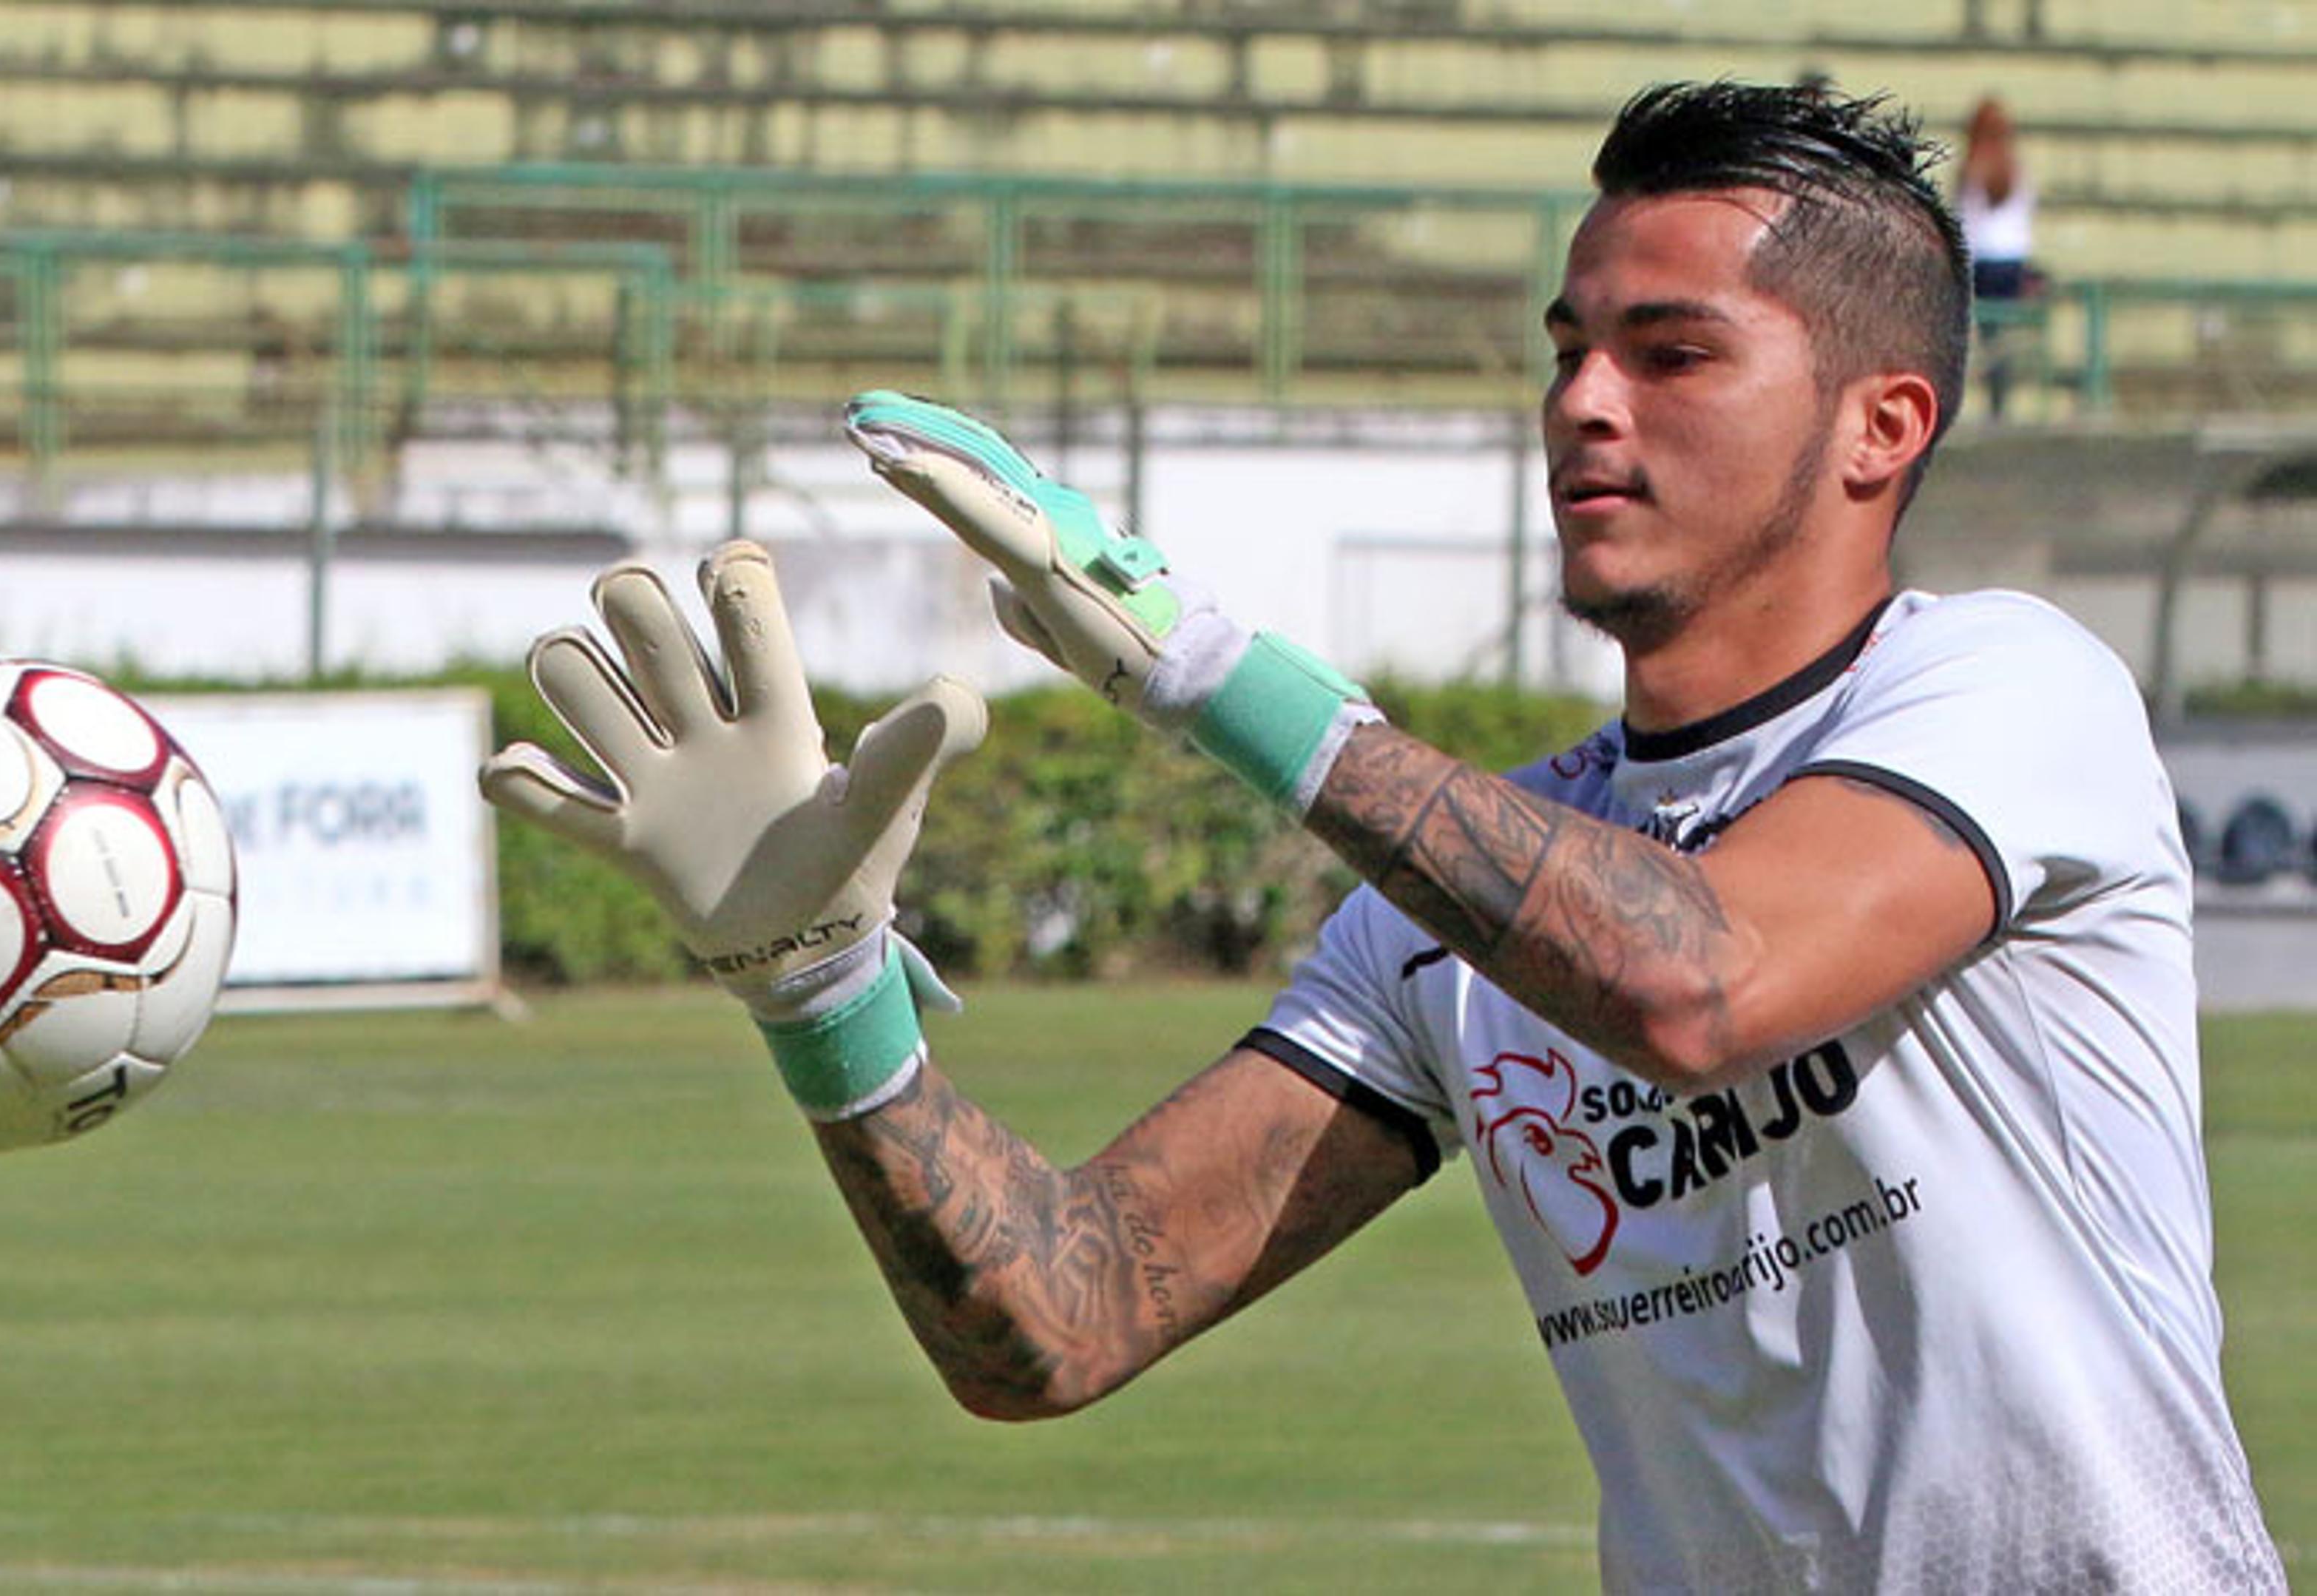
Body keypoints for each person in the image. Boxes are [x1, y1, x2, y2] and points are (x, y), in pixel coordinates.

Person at [483, 81, 2284, 1591]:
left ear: (1881, 424)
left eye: (1671, 354)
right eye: (1570, 349)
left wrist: (1214, 672)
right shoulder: (1445, 927)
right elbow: (1059, 1315)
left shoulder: (2002, 690)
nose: (1582, 401)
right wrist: (828, 998)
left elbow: (1696, 980)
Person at [1957, 95, 2040, 416]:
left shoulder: (1971, 168)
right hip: (2012, 259)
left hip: (1982, 260)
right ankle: (2000, 393)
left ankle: (1994, 393)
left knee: (1988, 330)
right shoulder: (2017, 169)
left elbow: (1966, 218)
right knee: (2001, 331)